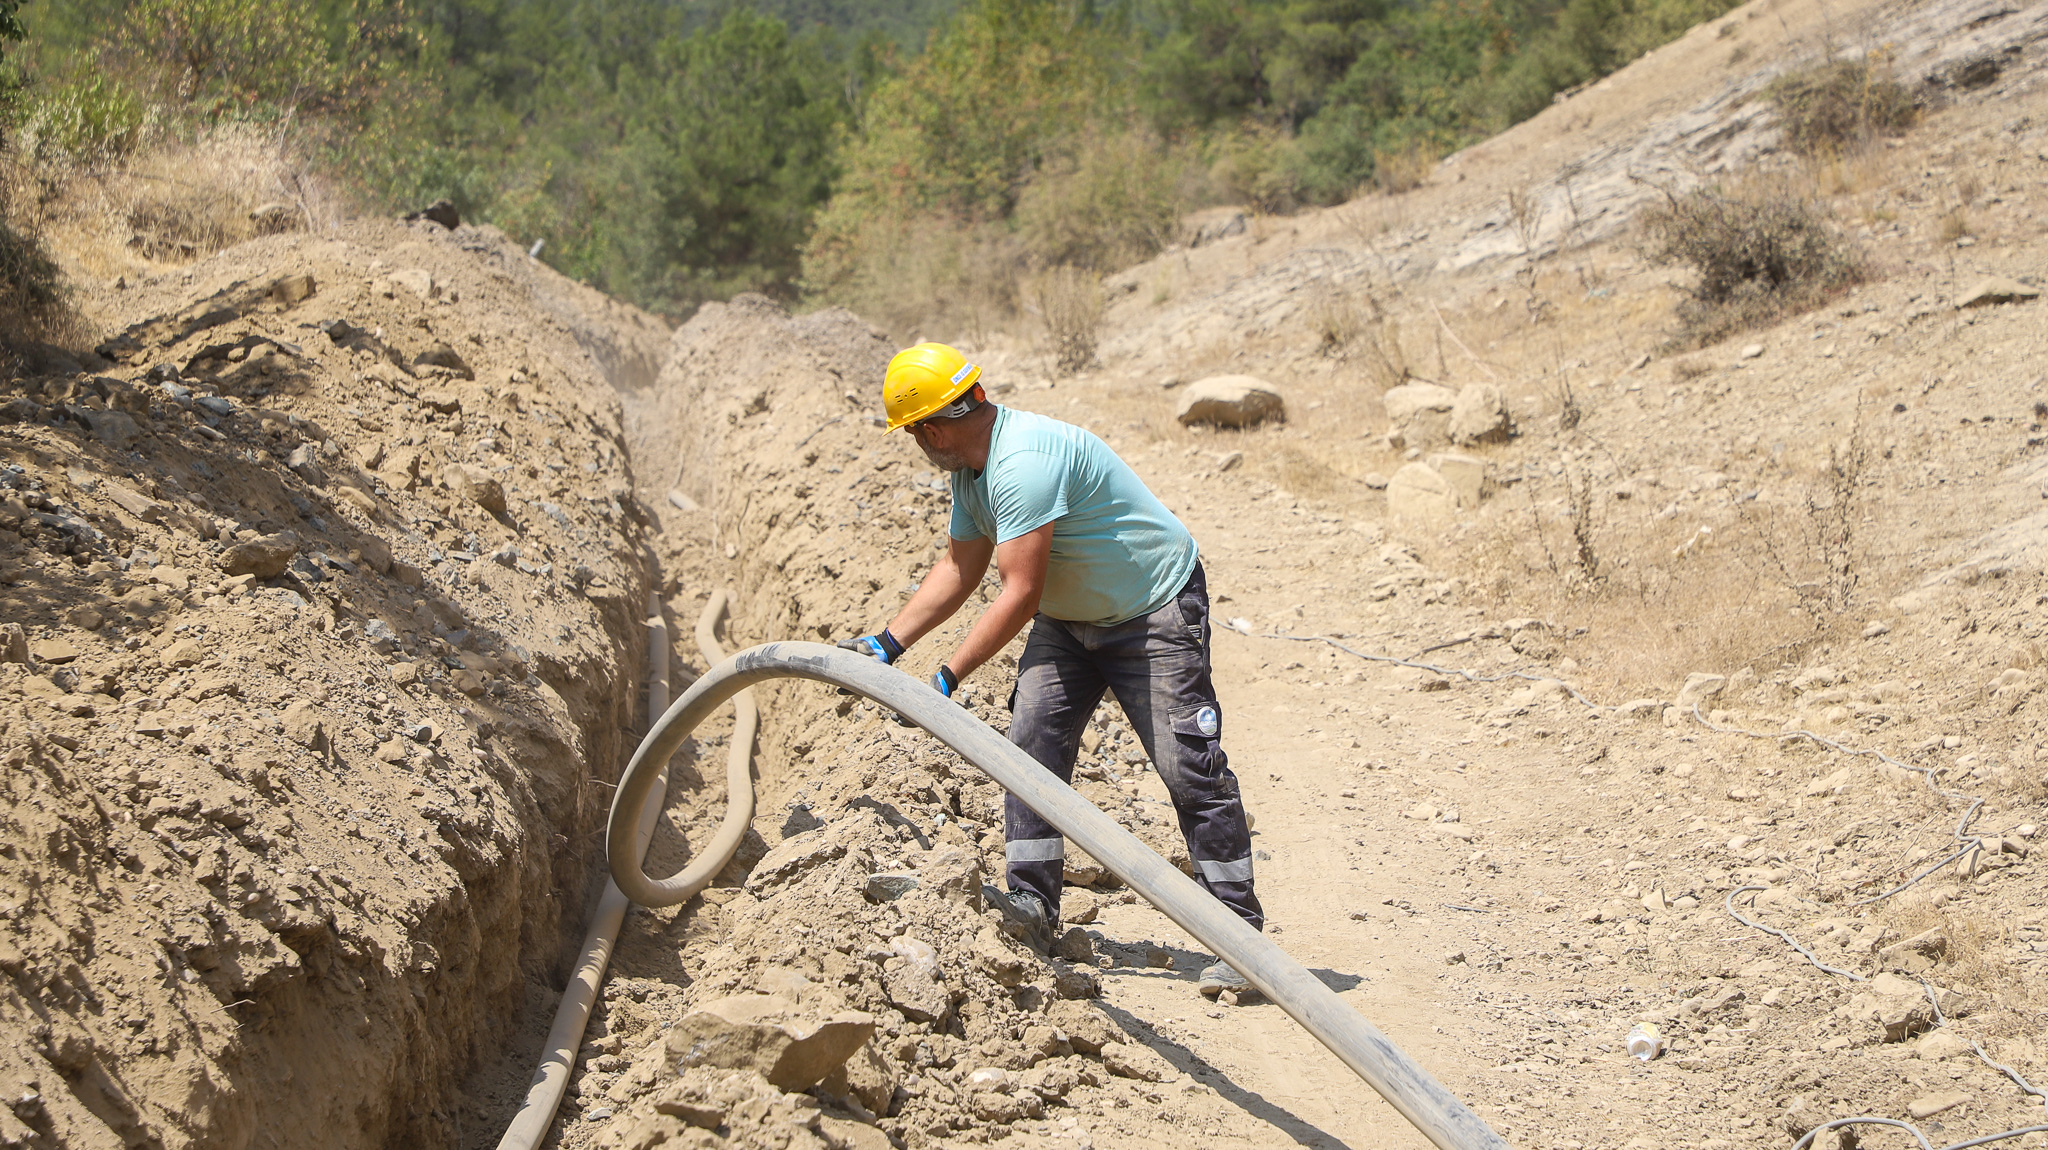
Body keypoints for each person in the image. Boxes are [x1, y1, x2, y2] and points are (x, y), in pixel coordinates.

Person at [839, 342, 1263, 999]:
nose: (917, 444)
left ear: (932, 430)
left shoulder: (1023, 463)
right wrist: (886, 644)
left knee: (1187, 764)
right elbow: (960, 568)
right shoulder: (973, 474)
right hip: (1070, 623)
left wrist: (948, 676)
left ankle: (1241, 939)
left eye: (915, 432)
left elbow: (1019, 592)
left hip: (1151, 610)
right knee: (1030, 747)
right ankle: (1033, 908)